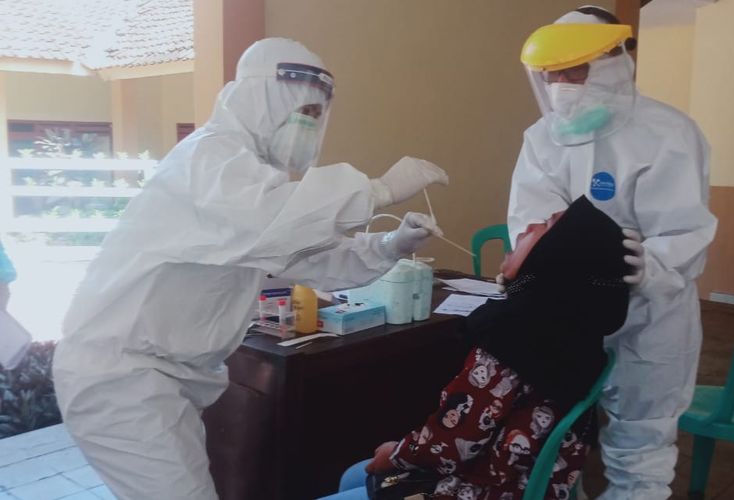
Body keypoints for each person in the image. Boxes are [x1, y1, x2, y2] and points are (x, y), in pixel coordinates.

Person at [53, 38, 448, 500]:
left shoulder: (251, 177)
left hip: (167, 378)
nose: (309, 127)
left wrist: (388, 245)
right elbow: (273, 223)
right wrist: (377, 190)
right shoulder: (208, 159)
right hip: (121, 375)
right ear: (258, 99)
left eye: (318, 116)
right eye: (303, 112)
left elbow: (306, 256)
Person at [506, 6, 717, 499]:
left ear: (612, 64)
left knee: (641, 441)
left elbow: (684, 228)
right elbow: (530, 221)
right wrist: (532, 257)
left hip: (651, 313)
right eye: (550, 74)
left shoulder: (669, 134)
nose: (560, 84)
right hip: (570, 310)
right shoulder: (542, 139)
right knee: (556, 433)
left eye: (573, 70)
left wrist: (653, 264)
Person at [320, 196, 632, 500]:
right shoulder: (573, 334)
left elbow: (453, 444)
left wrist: (396, 454)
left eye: (547, 226)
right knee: (354, 476)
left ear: (559, 256)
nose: (529, 227)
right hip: (514, 482)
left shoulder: (516, 337)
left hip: (476, 488)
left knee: (361, 474)